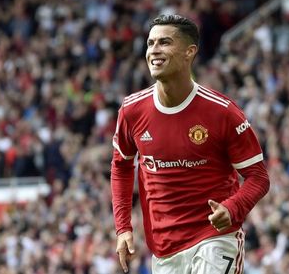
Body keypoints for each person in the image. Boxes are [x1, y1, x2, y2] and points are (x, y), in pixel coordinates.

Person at [111, 14, 270, 274]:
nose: (154, 50)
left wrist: (232, 207)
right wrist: (123, 228)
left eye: (164, 43)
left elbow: (258, 177)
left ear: (189, 52)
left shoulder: (222, 112)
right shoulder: (131, 110)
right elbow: (121, 167)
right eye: (150, 44)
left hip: (215, 238)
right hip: (164, 249)